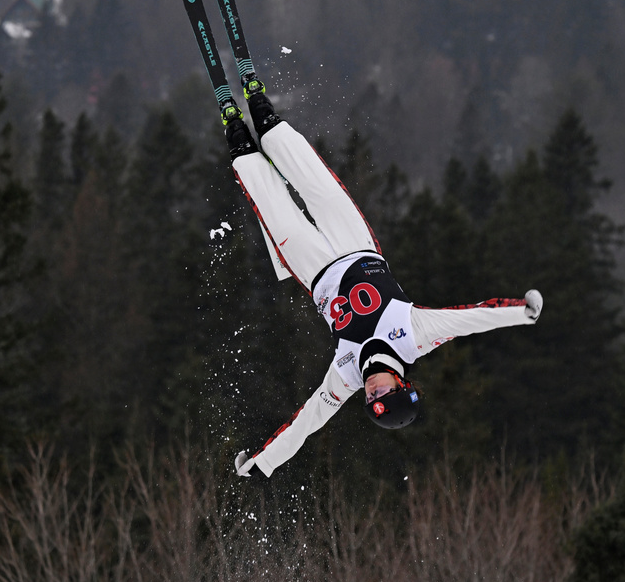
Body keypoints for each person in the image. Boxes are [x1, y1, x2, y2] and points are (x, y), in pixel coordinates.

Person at [223, 77, 543, 478]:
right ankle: (265, 116)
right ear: (401, 383)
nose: (373, 391)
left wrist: (260, 463)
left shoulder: (344, 377)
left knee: (272, 203)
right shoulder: (415, 336)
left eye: (371, 398)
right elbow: (470, 319)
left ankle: (238, 137)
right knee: (314, 182)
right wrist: (523, 312)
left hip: (313, 267)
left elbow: (306, 424)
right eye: (383, 394)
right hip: (355, 244)